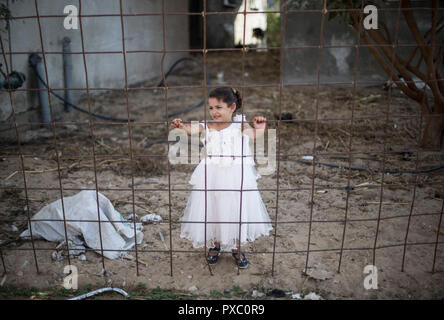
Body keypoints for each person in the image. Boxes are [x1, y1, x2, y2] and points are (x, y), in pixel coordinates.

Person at [170, 87, 272, 269]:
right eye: (210, 108)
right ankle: (215, 244)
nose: (213, 112)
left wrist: (260, 128)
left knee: (236, 207)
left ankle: (236, 246)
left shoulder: (240, 123)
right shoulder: (207, 124)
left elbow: (253, 135)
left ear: (232, 107)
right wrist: (180, 126)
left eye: (218, 107)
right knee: (213, 207)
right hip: (212, 174)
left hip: (236, 175)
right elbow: (190, 129)